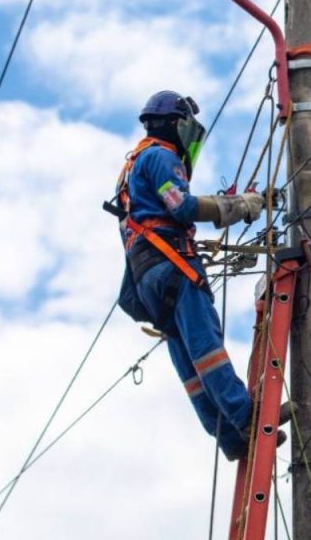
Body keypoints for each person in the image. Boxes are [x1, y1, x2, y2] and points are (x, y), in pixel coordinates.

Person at [111, 90, 288, 460]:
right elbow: (183, 206)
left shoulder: (130, 169)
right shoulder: (161, 156)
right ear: (179, 125)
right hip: (172, 267)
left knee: (190, 360)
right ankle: (244, 415)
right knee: (206, 345)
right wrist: (239, 206)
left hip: (146, 280)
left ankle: (228, 437)